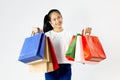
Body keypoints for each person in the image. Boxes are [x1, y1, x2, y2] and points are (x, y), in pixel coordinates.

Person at [33, 9, 92, 80]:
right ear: (50, 22)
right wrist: (36, 33)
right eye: (54, 19)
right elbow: (37, 45)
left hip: (65, 68)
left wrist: (86, 34)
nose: (57, 21)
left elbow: (79, 46)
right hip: (50, 68)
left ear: (62, 17)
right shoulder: (47, 35)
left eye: (59, 17)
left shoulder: (70, 34)